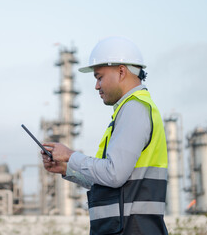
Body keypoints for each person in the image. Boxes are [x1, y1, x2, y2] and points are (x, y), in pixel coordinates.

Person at [41, 36, 168, 235]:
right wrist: (67, 168)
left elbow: (114, 174)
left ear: (121, 71)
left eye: (99, 77)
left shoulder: (134, 108)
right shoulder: (131, 110)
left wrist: (70, 155)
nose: (97, 86)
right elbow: (111, 180)